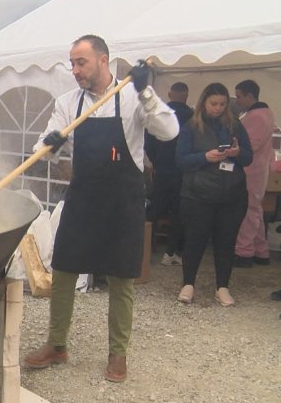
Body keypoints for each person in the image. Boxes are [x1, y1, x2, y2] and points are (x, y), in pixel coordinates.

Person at [23, 35, 179, 383]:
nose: (75, 69)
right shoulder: (68, 103)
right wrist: (50, 144)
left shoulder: (131, 97)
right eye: (73, 63)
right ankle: (57, 344)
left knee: (122, 277)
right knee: (63, 271)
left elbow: (169, 131)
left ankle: (118, 353)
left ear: (103, 60)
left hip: (123, 201)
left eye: (81, 62)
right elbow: (43, 146)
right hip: (83, 198)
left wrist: (147, 93)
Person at [175, 82, 253, 306]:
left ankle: (222, 287)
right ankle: (188, 284)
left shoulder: (235, 125)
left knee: (226, 242)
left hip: (232, 195)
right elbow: (180, 160)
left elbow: (249, 157)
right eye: (213, 104)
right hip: (198, 195)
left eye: (222, 104)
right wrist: (204, 157)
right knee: (195, 241)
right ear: (203, 103)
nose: (217, 108)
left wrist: (238, 153)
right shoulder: (191, 126)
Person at [146, 82, 193, 265]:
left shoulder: (159, 114)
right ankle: (172, 252)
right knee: (179, 212)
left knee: (155, 209)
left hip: (162, 168)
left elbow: (147, 141)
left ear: (169, 93)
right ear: (186, 95)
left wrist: (156, 160)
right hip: (184, 171)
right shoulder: (192, 117)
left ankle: (145, 248)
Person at [233, 79, 275, 268]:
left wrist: (233, 146)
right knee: (255, 210)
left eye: (239, 96)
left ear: (250, 95)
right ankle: (261, 250)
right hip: (259, 169)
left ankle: (244, 252)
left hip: (251, 170)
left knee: (248, 211)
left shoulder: (256, 116)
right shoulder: (265, 113)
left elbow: (251, 144)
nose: (238, 101)